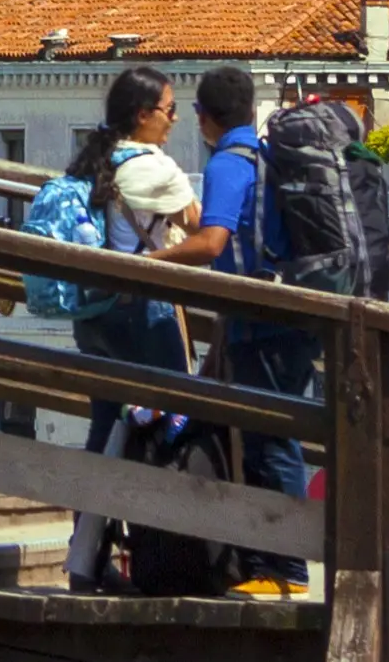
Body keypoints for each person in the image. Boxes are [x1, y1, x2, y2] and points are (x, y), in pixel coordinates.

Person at [56, 62, 219, 586]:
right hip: (145, 311)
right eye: (170, 111)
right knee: (172, 423)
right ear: (145, 116)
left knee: (106, 428)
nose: (174, 122)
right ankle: (166, 555)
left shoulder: (93, 161)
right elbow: (202, 229)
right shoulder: (154, 167)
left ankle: (86, 559)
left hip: (96, 311)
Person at [191, 66, 316, 596]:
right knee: (273, 436)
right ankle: (271, 560)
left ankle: (286, 568)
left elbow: (212, 243)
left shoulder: (227, 164)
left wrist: (152, 261)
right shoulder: (263, 156)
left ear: (205, 118)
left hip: (260, 320)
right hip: (289, 315)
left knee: (273, 440)